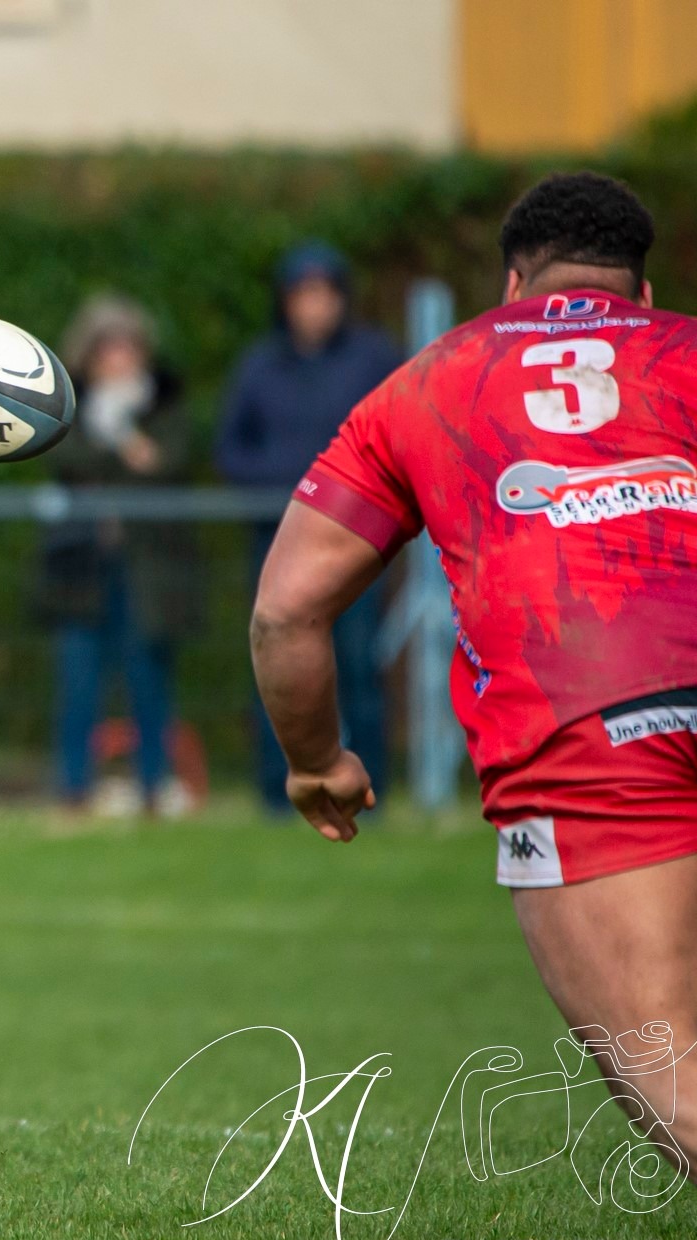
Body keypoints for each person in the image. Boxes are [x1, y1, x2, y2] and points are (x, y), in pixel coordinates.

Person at [251, 172, 697, 1202]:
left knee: (672, 1079)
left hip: (587, 723)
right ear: (641, 295)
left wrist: (314, 760)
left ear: (510, 282)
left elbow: (286, 609)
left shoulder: (430, 379)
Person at [216, 242, 400, 812]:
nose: (312, 306)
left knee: (358, 660)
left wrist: (336, 494)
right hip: (275, 539)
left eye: (322, 292)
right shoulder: (259, 365)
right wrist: (299, 488)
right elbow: (229, 452)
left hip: (355, 542)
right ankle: (279, 788)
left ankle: (372, 788)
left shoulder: (374, 359)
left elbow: (399, 438)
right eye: (301, 294)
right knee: (276, 656)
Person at [39, 294, 196, 814]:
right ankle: (73, 786)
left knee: (148, 676)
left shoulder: (166, 402)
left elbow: (170, 464)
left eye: (127, 347)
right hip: (81, 564)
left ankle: (155, 782)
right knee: (78, 678)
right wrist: (126, 452)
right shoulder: (65, 406)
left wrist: (114, 446)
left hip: (148, 567)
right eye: (107, 348)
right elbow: (65, 458)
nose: (118, 358)